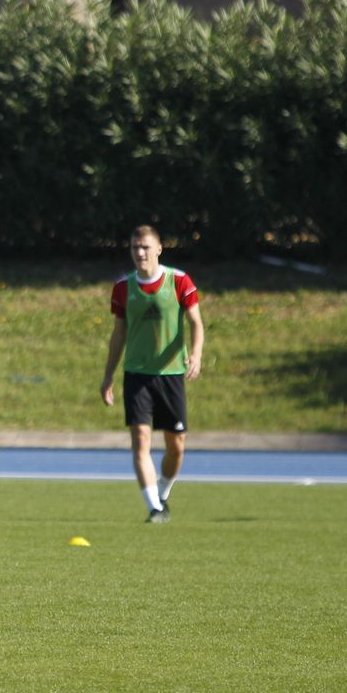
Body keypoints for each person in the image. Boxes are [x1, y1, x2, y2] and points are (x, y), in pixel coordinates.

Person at [99, 224, 205, 523]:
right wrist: (108, 376)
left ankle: (163, 491)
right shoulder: (123, 287)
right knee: (141, 439)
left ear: (159, 248)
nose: (140, 253)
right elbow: (118, 334)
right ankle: (154, 508)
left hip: (171, 375)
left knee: (177, 446)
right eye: (135, 247)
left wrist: (195, 355)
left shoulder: (179, 281)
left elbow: (196, 323)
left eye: (145, 247)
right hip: (136, 374)